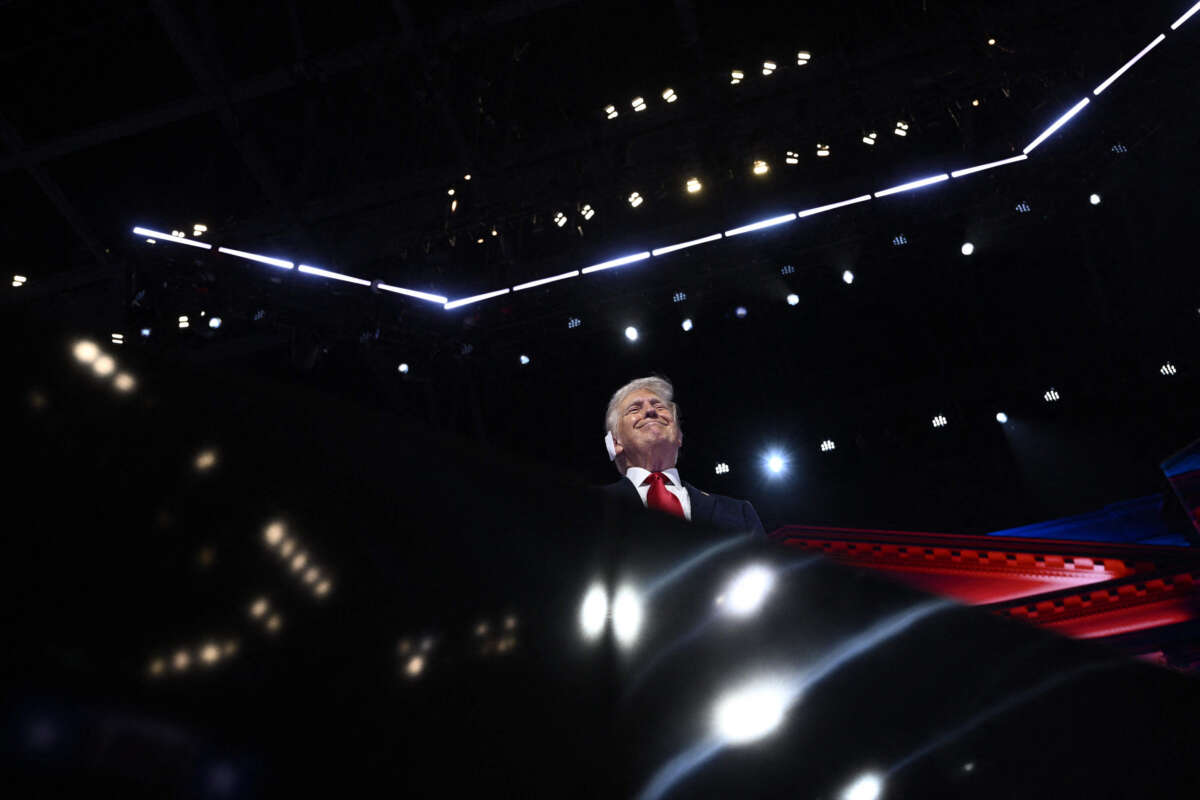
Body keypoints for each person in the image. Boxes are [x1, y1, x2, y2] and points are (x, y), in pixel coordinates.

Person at [600, 376, 766, 537]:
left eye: (660, 407)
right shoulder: (589, 508)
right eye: (634, 409)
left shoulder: (739, 513)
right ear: (615, 443)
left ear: (679, 436)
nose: (651, 411)